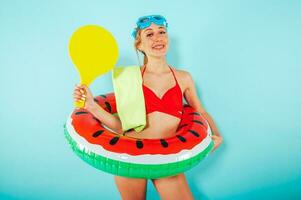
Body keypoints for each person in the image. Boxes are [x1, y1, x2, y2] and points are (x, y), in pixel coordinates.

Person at [73, 14, 223, 200]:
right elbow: (122, 127)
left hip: (168, 159)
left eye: (162, 32)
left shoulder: (184, 78)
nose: (158, 38)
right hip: (131, 157)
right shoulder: (128, 78)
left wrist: (216, 135)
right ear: (139, 45)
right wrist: (92, 106)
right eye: (149, 34)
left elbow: (200, 111)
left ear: (167, 38)